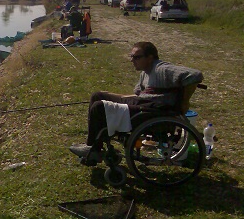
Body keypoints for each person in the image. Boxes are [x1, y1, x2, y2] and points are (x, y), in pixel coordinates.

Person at [69, 41, 203, 163]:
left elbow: (195, 75)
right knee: (98, 96)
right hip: (143, 103)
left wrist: (185, 102)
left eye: (137, 57)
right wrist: (112, 96)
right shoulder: (145, 72)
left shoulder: (161, 69)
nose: (132, 60)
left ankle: (94, 149)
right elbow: (138, 95)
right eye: (131, 56)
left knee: (99, 107)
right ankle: (93, 146)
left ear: (150, 58)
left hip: (153, 110)